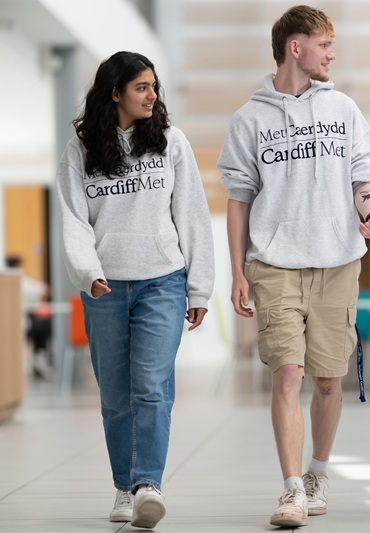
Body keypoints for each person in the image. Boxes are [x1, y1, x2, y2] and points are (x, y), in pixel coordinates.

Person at [217, 5, 370, 528]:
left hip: (337, 260)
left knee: (326, 379)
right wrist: (238, 271)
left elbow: (362, 174)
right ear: (297, 48)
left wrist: (369, 214)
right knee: (287, 372)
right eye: (324, 45)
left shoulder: (344, 109)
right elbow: (239, 199)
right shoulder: (249, 119)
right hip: (274, 262)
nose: (332, 55)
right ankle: (291, 488)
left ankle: (318, 472)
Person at [56, 51, 215, 529]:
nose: (151, 95)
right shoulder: (80, 150)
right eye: (141, 87)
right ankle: (123, 488)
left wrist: (199, 289)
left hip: (161, 281)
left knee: (151, 385)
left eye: (154, 86)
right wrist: (87, 272)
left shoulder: (170, 141)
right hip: (104, 287)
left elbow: (192, 214)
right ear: (115, 92)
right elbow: (72, 220)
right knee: (114, 395)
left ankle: (148, 484)